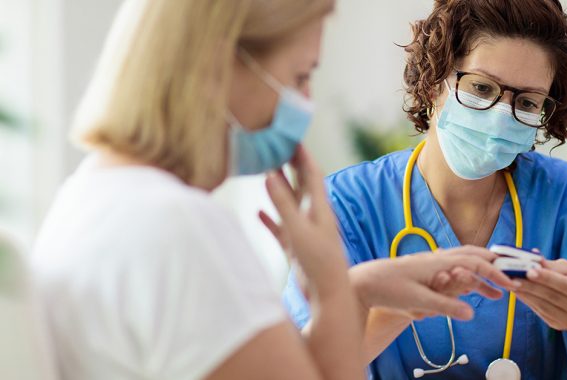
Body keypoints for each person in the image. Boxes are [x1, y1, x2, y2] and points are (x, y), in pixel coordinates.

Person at [30, 0, 518, 379]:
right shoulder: (179, 227)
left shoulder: (92, 194)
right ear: (218, 65)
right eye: (299, 76)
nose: (304, 103)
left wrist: (358, 291)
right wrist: (328, 285)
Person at [284, 0, 567, 379]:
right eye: (481, 87)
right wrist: (400, 304)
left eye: (527, 101)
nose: (500, 114)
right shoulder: (348, 205)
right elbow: (306, 368)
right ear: (434, 83)